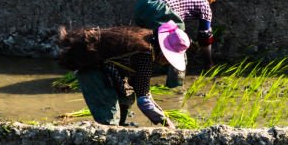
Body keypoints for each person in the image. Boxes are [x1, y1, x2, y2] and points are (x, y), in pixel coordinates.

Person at [56, 21, 190, 127]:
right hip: (94, 72)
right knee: (109, 122)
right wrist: (166, 122)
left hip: (106, 69)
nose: (167, 62)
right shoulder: (145, 53)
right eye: (168, 58)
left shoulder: (145, 37)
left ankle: (121, 128)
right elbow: (144, 101)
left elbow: (141, 89)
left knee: (127, 96)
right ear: (163, 50)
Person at [133, 0, 220, 86]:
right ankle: (175, 87)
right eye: (212, 0)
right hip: (159, 9)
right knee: (178, 46)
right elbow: (205, 37)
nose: (211, 3)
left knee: (144, 44)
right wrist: (209, 64)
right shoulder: (204, 2)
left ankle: (135, 79)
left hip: (142, 4)